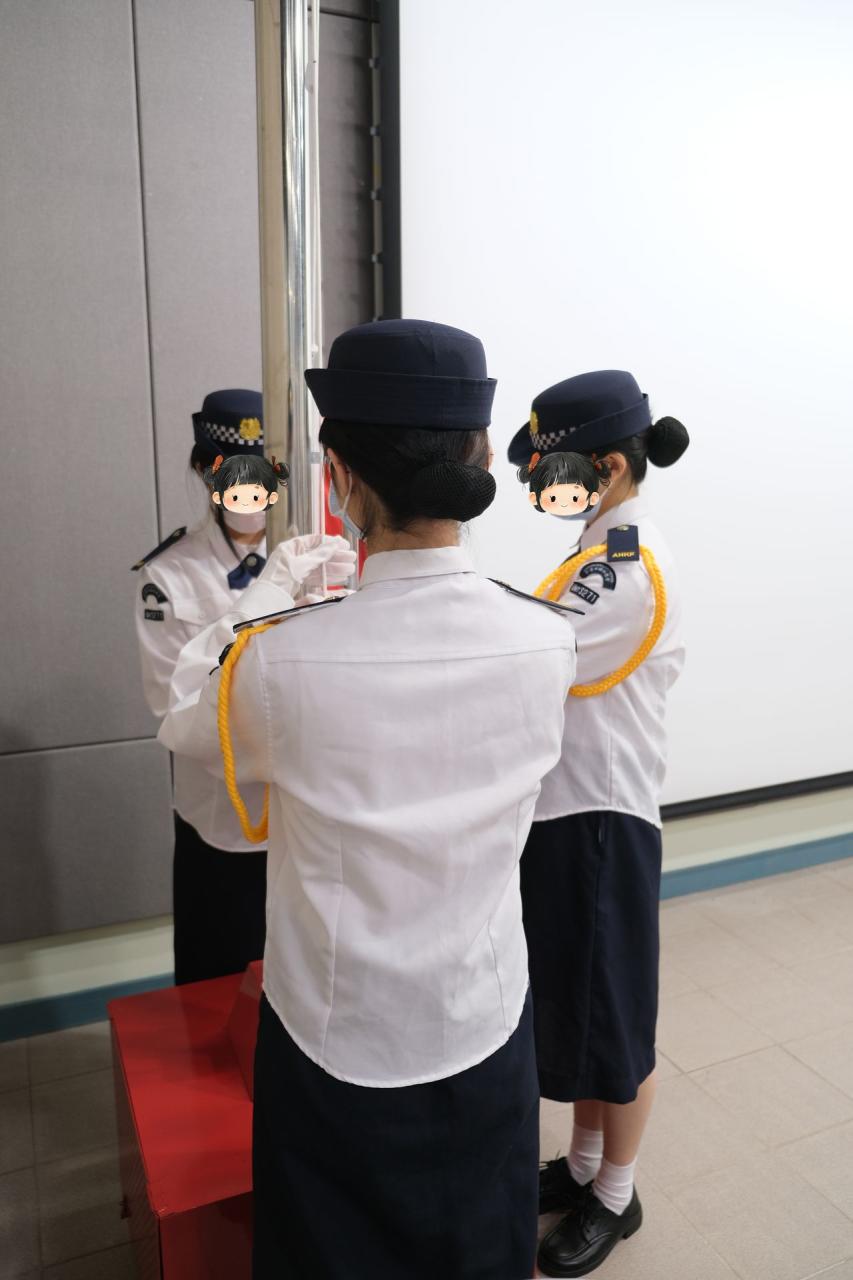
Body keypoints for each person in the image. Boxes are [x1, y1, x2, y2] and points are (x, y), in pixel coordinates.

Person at [158, 320, 578, 1280]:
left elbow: (183, 720)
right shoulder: (546, 636)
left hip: (335, 1036)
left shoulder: (276, 661)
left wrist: (260, 603)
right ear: (479, 458)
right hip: (484, 1015)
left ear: (340, 478)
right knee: (482, 1251)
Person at [507, 370, 689, 1278]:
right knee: (580, 1007)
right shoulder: (590, 554)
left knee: (613, 1013)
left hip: (601, 820)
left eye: (550, 470)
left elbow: (538, 661)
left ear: (608, 467)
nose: (539, 485)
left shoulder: (624, 566)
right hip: (568, 814)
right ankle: (582, 1166)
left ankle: (616, 1194)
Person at [133, 389, 354, 985]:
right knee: (218, 984)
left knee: (306, 982)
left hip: (311, 817)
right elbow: (172, 704)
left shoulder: (322, 555)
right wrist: (267, 599)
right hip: (224, 825)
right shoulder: (169, 576)